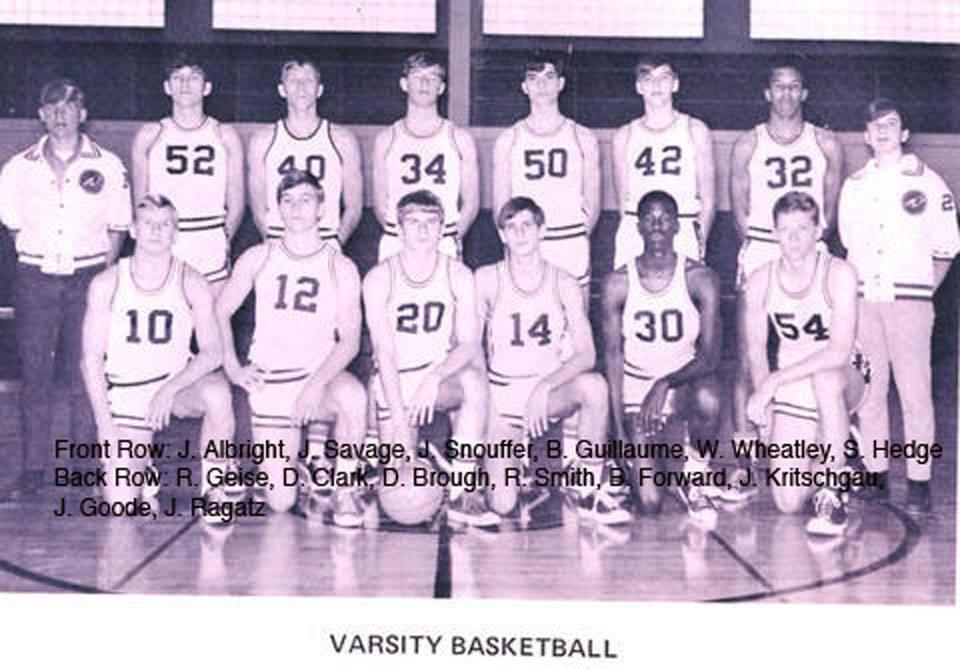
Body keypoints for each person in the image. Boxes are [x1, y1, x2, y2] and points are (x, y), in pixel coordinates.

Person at [0, 78, 131, 501]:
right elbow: (14, 226)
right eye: (52, 107)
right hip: (35, 277)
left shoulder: (109, 165)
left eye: (69, 106)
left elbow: (117, 228)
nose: (61, 114)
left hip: (87, 277)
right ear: (41, 115)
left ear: (83, 114)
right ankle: (33, 469)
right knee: (34, 375)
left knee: (85, 374)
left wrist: (101, 278)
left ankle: (82, 466)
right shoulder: (17, 168)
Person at [215, 170, 367, 526]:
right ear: (278, 209)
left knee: (354, 397)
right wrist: (233, 368)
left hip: (319, 379)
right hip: (272, 382)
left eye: (305, 200)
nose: (296, 208)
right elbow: (219, 312)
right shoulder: (258, 257)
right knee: (281, 502)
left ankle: (345, 489)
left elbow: (350, 341)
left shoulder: (340, 266)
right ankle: (295, 465)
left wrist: (314, 386)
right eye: (288, 200)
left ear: (322, 209)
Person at [838, 99, 960, 513]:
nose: (884, 130)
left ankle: (919, 481)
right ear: (866, 135)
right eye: (876, 125)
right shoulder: (854, 186)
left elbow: (946, 249)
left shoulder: (929, 183)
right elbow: (849, 244)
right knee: (870, 393)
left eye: (892, 123)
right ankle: (875, 475)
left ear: (904, 133)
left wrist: (921, 293)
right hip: (864, 303)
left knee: (915, 394)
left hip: (910, 303)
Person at [81, 195, 235, 512]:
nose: (156, 230)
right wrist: (104, 426)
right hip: (127, 392)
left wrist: (169, 388)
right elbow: (90, 361)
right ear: (133, 230)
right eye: (148, 223)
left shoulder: (192, 281)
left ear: (175, 233)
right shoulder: (107, 283)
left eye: (165, 224)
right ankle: (143, 465)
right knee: (121, 505)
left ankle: (214, 486)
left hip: (175, 387)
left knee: (218, 394)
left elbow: (213, 353)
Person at [478, 197, 627, 524]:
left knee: (594, 387)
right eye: (511, 227)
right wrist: (487, 410)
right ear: (502, 235)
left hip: (547, 395)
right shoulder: (487, 279)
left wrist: (544, 386)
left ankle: (587, 489)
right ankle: (504, 463)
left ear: (542, 230)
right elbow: (472, 349)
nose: (520, 234)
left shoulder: (564, 282)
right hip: (502, 397)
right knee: (502, 504)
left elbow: (586, 353)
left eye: (527, 225)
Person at [363, 189, 494, 527]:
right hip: (394, 382)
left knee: (474, 381)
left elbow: (469, 345)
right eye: (413, 222)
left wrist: (434, 378)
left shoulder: (459, 274)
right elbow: (384, 355)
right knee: (400, 491)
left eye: (431, 222)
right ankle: (385, 447)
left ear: (442, 229)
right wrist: (400, 422)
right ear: (399, 229)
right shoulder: (379, 278)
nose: (422, 230)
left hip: (437, 377)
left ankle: (462, 491)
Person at [730, 64, 844, 440]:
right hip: (763, 245)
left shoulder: (826, 143)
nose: (786, 94)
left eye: (794, 87)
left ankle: (826, 437)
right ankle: (748, 445)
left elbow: (830, 209)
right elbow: (739, 211)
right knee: (748, 353)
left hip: (808, 248)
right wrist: (769, 244)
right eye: (779, 87)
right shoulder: (748, 144)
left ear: (804, 93)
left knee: (817, 347)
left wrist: (803, 245)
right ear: (767, 93)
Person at [602, 191, 727, 521]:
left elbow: (711, 357)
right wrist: (617, 429)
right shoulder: (617, 283)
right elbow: (612, 357)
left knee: (710, 397)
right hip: (636, 391)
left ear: (677, 226)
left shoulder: (701, 279)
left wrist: (665, 383)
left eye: (665, 218)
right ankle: (624, 465)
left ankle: (694, 475)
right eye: (649, 218)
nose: (657, 225)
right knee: (649, 504)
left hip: (682, 385)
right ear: (638, 226)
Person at [743, 191, 859, 535]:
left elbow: (838, 351)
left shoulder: (839, 273)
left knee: (826, 380)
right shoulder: (760, 280)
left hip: (846, 374)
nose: (793, 239)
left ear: (818, 231)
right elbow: (755, 350)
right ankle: (834, 452)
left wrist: (773, 383)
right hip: (793, 381)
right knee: (788, 502)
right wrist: (765, 402)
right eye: (785, 230)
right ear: (774, 232)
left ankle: (833, 491)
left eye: (802, 229)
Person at [131, 52, 244, 287]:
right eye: (177, 78)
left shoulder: (224, 135)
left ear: (207, 87)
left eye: (193, 77)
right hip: (164, 237)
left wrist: (223, 239)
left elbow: (236, 203)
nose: (185, 84)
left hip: (209, 236)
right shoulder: (150, 135)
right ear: (167, 87)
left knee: (213, 310)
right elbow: (140, 203)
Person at [492, 51, 600, 293]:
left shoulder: (582, 137)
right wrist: (518, 241)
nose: (541, 85)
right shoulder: (508, 140)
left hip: (569, 239)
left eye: (549, 77)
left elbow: (592, 203)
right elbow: (502, 207)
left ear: (561, 84)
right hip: (525, 242)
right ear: (524, 87)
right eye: (533, 78)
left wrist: (575, 237)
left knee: (574, 313)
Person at [371, 52, 479, 261]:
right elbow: (380, 203)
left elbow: (471, 203)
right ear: (404, 84)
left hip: (443, 239)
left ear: (441, 87)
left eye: (432, 77)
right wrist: (405, 237)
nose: (424, 83)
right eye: (417, 76)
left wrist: (453, 237)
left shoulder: (460, 139)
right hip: (397, 240)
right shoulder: (386, 139)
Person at [612, 56, 715, 269]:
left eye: (664, 78)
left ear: (675, 84)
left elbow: (708, 199)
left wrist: (699, 238)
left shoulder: (695, 130)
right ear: (639, 87)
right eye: (648, 79)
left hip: (682, 226)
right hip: (637, 230)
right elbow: (622, 200)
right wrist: (632, 232)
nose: (656, 85)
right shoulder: (624, 135)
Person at [247, 57, 363, 246]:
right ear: (282, 90)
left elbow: (354, 206)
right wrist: (270, 240)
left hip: (325, 239)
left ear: (319, 90)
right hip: (278, 240)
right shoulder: (262, 140)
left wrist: (336, 243)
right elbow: (258, 207)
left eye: (308, 80)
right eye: (293, 80)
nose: (301, 87)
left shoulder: (343, 140)